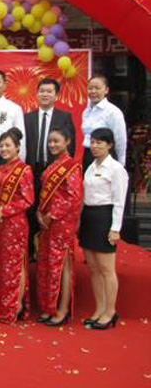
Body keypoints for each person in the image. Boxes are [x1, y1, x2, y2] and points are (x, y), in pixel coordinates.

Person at [80, 128, 128, 330]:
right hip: (89, 217)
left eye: (100, 142)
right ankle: (99, 309)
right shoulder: (90, 167)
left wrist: (115, 228)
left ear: (110, 145)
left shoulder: (116, 169)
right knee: (93, 268)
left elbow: (119, 201)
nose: (95, 146)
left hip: (104, 217)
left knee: (106, 269)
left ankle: (110, 311)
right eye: (92, 142)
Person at [36, 127, 82, 326]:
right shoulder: (53, 165)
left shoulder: (72, 166)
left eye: (56, 141)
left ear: (67, 141)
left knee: (62, 264)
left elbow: (73, 197)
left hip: (62, 222)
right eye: (50, 141)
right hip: (47, 222)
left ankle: (62, 309)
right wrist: (40, 213)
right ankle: (50, 307)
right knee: (48, 264)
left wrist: (52, 214)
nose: (52, 145)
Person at [24, 78, 75, 257]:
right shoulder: (27, 118)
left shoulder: (64, 117)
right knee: (30, 210)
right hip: (32, 171)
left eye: (49, 91)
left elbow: (71, 147)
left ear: (56, 95)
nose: (45, 94)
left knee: (50, 211)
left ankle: (48, 252)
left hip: (55, 172)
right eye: (42, 91)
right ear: (37, 94)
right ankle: (30, 251)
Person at [0, 128, 34, 323]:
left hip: (15, 223)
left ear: (17, 147)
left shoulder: (24, 170)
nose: (4, 149)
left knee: (16, 263)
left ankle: (16, 305)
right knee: (3, 264)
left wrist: (5, 211)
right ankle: (3, 304)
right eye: (1, 146)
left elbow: (28, 200)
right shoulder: (1, 169)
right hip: (0, 222)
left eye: (8, 145)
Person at [81, 75, 127, 171]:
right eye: (90, 88)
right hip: (88, 155)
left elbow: (120, 139)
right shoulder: (86, 112)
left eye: (97, 88)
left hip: (106, 156)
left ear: (106, 90)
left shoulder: (113, 112)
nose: (93, 91)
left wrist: (121, 164)